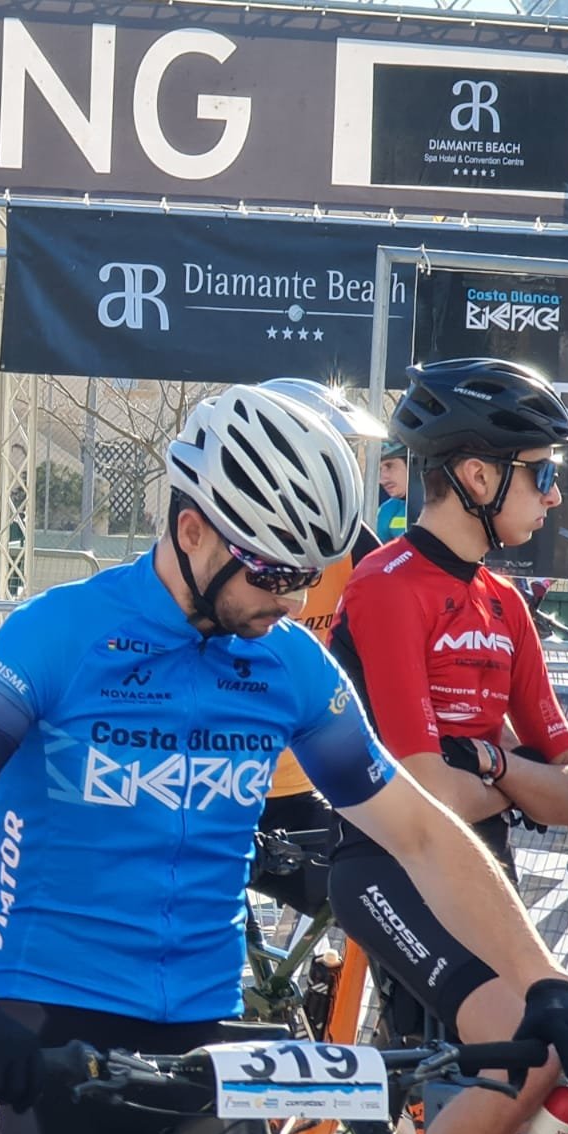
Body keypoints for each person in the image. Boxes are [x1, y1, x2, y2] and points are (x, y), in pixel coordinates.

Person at [0, 383, 568, 1134]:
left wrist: (544, 982)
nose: (294, 601)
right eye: (273, 571)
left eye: (307, 573)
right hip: (47, 1026)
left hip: (205, 1033)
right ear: (192, 529)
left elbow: (423, 834)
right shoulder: (59, 634)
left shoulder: (286, 660)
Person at [327, 358, 568, 1134]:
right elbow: (424, 794)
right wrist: (515, 783)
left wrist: (488, 763)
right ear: (478, 477)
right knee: (528, 1050)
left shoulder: (505, 604)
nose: (554, 496)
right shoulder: (387, 586)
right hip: (387, 868)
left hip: (480, 871)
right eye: (542, 474)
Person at [251, 378, 383, 918]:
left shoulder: (356, 547)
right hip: (213, 785)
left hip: (301, 784)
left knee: (369, 891)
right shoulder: (230, 546)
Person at [377, 440, 410, 542]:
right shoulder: (386, 510)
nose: (382, 480)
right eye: (379, 470)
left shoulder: (445, 503)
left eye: (389, 466)